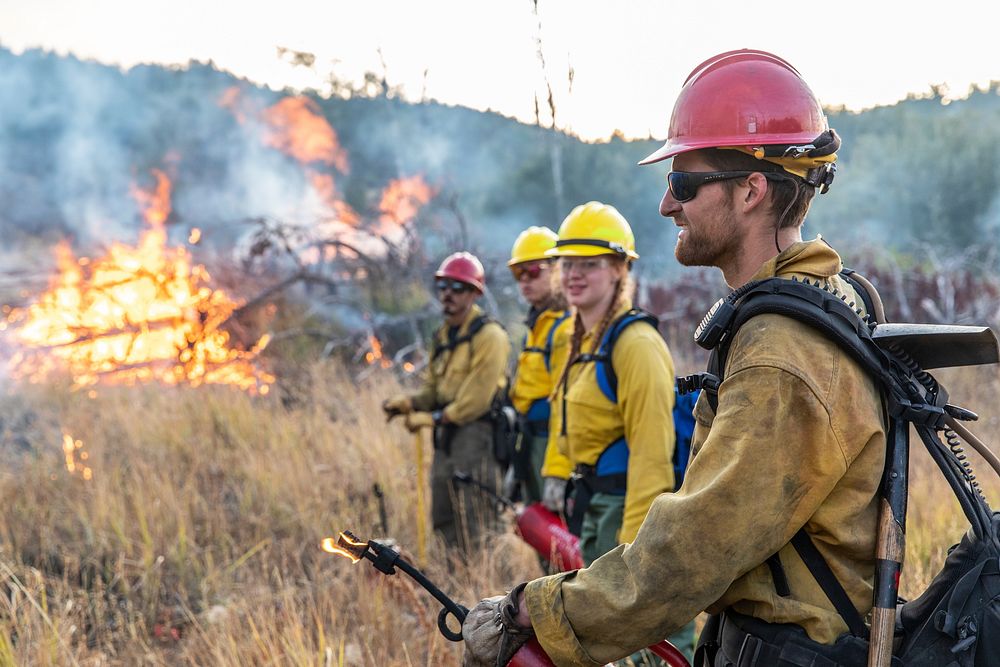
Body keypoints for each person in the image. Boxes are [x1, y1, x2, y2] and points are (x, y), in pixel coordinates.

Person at [462, 49, 885, 667]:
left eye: (684, 182)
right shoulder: (822, 301)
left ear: (751, 191)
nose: (667, 205)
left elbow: (697, 546)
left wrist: (535, 610)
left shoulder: (782, 354)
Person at [544, 201, 694, 661]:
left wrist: (633, 556)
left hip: (627, 514)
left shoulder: (636, 345)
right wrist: (555, 472)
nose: (574, 273)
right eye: (568, 263)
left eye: (589, 264)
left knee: (640, 645)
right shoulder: (581, 339)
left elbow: (651, 455)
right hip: (594, 508)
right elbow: (564, 415)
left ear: (618, 270)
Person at [382, 251, 511, 551]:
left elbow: (476, 401)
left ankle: (493, 592)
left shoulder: (490, 336)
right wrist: (411, 403)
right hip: (446, 439)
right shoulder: (443, 336)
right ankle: (452, 588)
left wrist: (432, 419)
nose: (448, 295)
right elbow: (434, 391)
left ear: (474, 293)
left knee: (479, 522)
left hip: (478, 439)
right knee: (444, 516)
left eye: (458, 288)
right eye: (444, 287)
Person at [506, 227, 574, 510]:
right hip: (530, 442)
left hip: (552, 446)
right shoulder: (536, 325)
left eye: (533, 271)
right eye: (518, 274)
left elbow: (566, 405)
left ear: (558, 269)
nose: (525, 281)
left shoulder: (565, 327)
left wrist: (558, 471)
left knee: (560, 539)